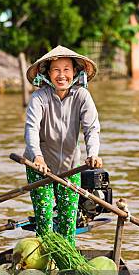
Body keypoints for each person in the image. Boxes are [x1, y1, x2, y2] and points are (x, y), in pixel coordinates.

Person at [23, 45, 102, 246]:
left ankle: (67, 264)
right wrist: (37, 157)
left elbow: (91, 128)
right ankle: (45, 262)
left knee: (69, 222)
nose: (61, 75)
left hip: (71, 167)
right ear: (48, 74)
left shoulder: (82, 96)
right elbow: (31, 128)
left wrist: (93, 153)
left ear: (75, 72)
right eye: (56, 70)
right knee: (45, 221)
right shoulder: (39, 98)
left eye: (66, 69)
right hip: (41, 168)